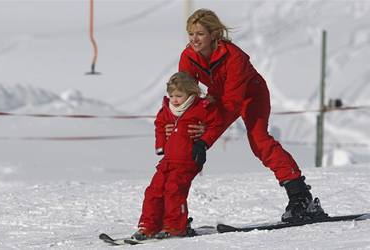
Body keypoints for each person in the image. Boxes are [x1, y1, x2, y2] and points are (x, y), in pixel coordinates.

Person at [173, 8, 326, 222]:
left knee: (259, 141)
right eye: (191, 34)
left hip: (251, 94)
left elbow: (232, 104)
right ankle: (172, 212)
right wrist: (178, 124)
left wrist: (206, 139)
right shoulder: (188, 56)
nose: (194, 39)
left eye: (199, 34)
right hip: (220, 97)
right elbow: (183, 93)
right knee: (188, 141)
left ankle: (301, 197)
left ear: (213, 34)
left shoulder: (234, 56)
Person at [132, 72, 223, 240]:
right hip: (167, 161)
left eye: (179, 96)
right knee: (154, 191)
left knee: (174, 190)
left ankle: (175, 226)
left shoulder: (201, 108)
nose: (174, 99)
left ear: (191, 94)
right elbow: (159, 124)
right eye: (171, 95)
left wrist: (203, 141)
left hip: (188, 161)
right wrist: (160, 145)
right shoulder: (167, 110)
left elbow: (216, 126)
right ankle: (149, 225)